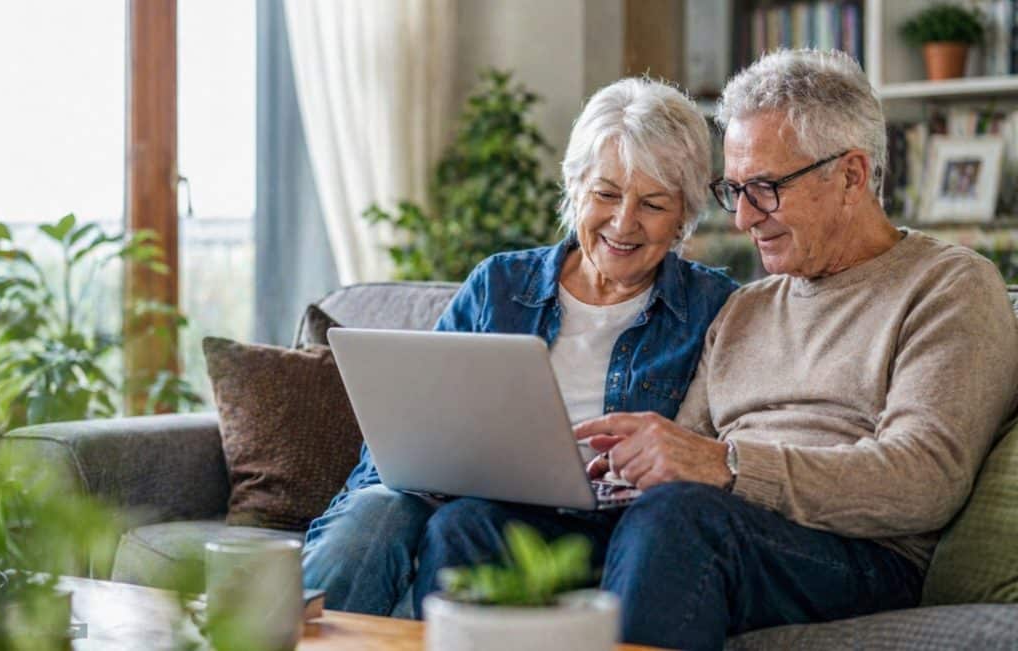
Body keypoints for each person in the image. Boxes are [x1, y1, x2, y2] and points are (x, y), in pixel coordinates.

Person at [412, 49, 1018, 650]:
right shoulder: (744, 308)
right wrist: (625, 469)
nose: (743, 218)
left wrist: (728, 466)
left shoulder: (947, 286)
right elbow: (684, 452)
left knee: (679, 519)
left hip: (856, 553)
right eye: (736, 191)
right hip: (704, 528)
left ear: (851, 176)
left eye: (766, 188)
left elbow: (923, 480)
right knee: (470, 528)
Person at [301, 77, 738, 615]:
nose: (624, 222)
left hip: (613, 529)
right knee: (379, 514)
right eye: (605, 194)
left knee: (457, 527)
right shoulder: (500, 285)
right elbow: (410, 429)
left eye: (652, 203)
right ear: (574, 187)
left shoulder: (713, 306)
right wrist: (407, 479)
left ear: (684, 215)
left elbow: (724, 453)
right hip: (485, 507)